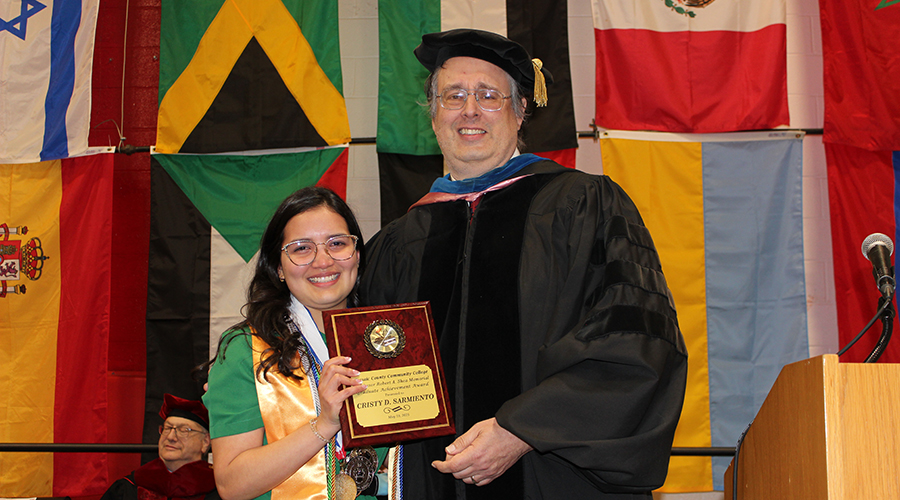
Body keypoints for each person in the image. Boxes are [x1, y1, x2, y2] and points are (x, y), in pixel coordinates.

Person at [359, 29, 688, 500]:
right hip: (432, 481)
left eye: (489, 96)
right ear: (433, 115)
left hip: (552, 476)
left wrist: (521, 429)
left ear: (520, 112)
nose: (470, 110)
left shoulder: (584, 205)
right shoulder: (399, 241)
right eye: (453, 96)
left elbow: (635, 342)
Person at [202, 187, 397, 500]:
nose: (323, 261)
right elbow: (231, 485)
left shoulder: (387, 341)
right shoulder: (246, 348)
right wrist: (325, 424)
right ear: (279, 267)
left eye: (337, 243)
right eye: (302, 248)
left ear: (357, 255)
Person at [100, 394, 219, 500]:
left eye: (184, 430)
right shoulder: (131, 487)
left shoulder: (218, 491)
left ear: (205, 442)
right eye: (167, 428)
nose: (171, 437)